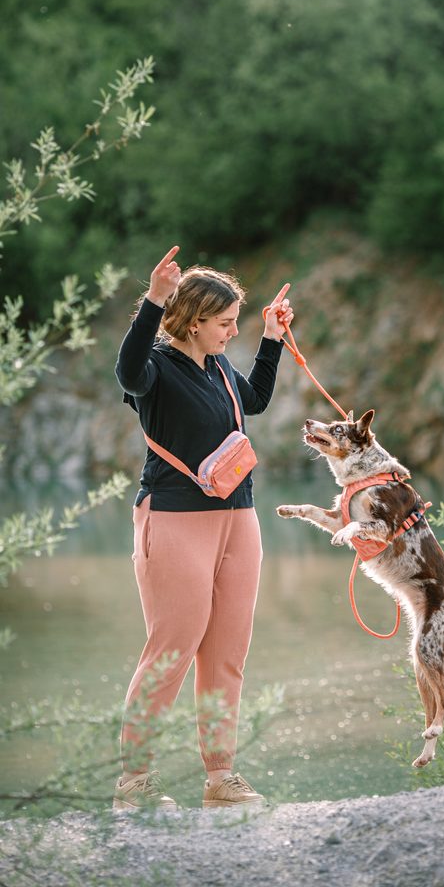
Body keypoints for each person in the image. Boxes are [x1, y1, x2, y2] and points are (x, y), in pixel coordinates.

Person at [112, 246, 292, 811]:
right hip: (173, 518)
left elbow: (254, 400)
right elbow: (126, 371)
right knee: (172, 648)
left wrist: (271, 338)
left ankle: (221, 777)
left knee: (227, 652)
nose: (233, 331)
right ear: (193, 321)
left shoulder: (218, 367)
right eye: (225, 323)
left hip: (238, 518)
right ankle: (134, 782)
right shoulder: (156, 368)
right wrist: (153, 300)